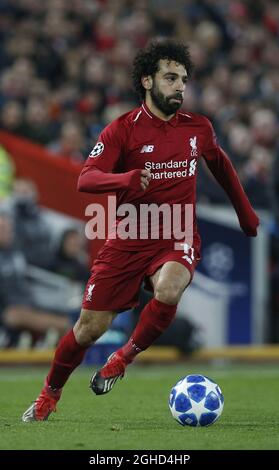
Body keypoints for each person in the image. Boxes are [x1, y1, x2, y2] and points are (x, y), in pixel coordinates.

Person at [22, 40, 259, 422]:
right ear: (147, 81)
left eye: (183, 79)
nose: (180, 86)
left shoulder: (198, 128)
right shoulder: (122, 130)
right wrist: (126, 178)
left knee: (169, 288)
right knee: (88, 329)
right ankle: (50, 393)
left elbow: (223, 168)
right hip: (129, 238)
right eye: (170, 77)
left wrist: (245, 214)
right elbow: (87, 178)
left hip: (177, 233)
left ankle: (122, 358)